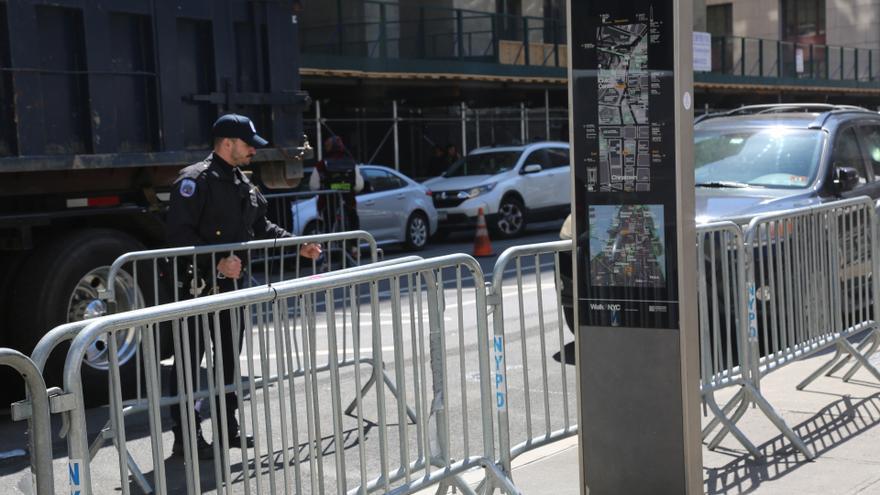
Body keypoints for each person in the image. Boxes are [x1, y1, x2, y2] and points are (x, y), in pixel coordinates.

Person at [166, 113, 322, 459]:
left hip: (231, 290)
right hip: (196, 288)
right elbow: (178, 238)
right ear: (227, 144)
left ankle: (227, 427)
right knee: (190, 362)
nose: (253, 150)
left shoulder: (242, 183)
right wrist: (215, 262)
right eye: (248, 144)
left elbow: (262, 226)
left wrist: (298, 244)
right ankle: (186, 436)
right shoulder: (194, 181)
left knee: (227, 361)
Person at [309, 136, 363, 233]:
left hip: (327, 203)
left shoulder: (321, 164)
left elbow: (314, 186)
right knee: (352, 219)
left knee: (327, 225)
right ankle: (354, 245)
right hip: (348, 200)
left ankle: (327, 245)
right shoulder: (351, 162)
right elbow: (359, 185)